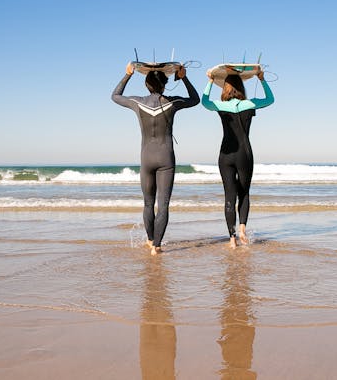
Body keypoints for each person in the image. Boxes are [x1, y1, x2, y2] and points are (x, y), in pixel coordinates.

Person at [112, 63, 199, 255]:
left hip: (146, 158)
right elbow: (195, 99)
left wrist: (127, 74)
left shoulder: (137, 102)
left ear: (146, 84)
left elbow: (115, 96)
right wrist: (183, 77)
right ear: (165, 84)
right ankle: (157, 247)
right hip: (166, 157)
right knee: (164, 205)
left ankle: (150, 240)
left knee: (148, 204)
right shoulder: (172, 102)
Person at [202, 69, 274, 248]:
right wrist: (262, 79)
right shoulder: (250, 104)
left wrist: (210, 81)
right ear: (241, 87)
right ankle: (242, 230)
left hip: (225, 155)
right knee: (244, 193)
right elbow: (270, 99)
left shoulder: (220, 105)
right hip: (245, 154)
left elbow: (204, 101)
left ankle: (232, 238)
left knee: (229, 196)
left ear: (225, 88)